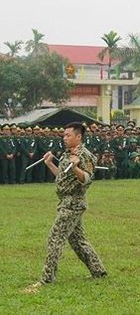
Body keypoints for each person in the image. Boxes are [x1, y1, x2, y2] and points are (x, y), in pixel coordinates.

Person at [23, 122, 107, 294]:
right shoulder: (68, 154)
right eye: (64, 135)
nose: (64, 138)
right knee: (78, 241)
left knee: (55, 238)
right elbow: (63, 178)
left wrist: (76, 167)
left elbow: (86, 179)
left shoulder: (85, 155)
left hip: (73, 203)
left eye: (68, 135)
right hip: (65, 201)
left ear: (79, 136)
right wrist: (49, 164)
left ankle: (46, 279)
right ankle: (98, 271)